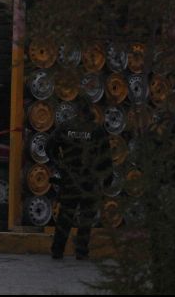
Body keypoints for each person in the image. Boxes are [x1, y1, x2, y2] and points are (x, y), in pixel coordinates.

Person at [46, 101, 113, 260]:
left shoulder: (65, 127)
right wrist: (107, 179)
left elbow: (49, 146)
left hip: (69, 178)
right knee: (86, 218)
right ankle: (81, 251)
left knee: (65, 216)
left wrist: (59, 165)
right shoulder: (96, 130)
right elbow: (105, 157)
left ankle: (57, 250)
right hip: (89, 180)